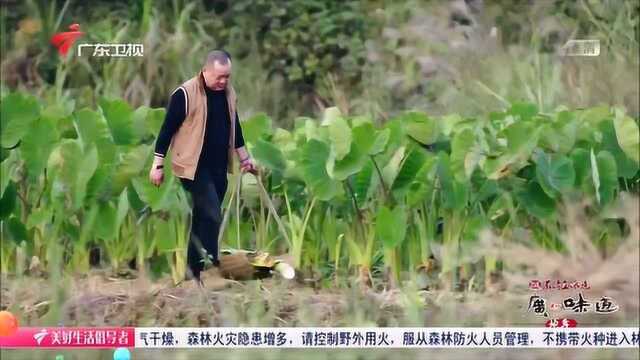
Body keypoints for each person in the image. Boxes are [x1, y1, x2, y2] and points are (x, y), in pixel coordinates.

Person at [148, 50, 257, 284]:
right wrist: (157, 164)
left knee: (201, 220)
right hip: (192, 167)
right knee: (212, 214)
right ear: (206, 71)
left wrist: (245, 158)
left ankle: (192, 276)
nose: (224, 81)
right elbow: (167, 129)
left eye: (227, 76)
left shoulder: (228, 94)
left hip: (219, 165)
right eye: (219, 77)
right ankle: (211, 263)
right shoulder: (185, 94)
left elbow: (234, 127)